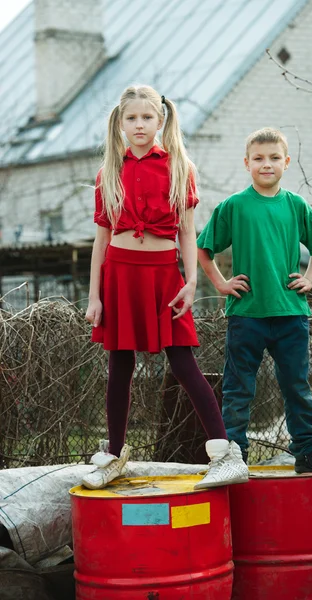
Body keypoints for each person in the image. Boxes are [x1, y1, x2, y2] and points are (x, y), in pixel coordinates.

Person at [82, 85, 249, 490]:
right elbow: (101, 240)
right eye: (131, 118)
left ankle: (226, 454)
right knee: (119, 367)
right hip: (119, 274)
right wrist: (94, 296)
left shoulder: (179, 167)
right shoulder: (109, 171)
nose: (139, 125)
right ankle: (115, 455)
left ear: (161, 120)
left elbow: (188, 233)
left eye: (147, 118)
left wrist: (191, 282)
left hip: (163, 276)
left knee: (183, 363)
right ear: (120, 124)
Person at [197, 127, 312, 474]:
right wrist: (221, 282)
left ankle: (308, 453)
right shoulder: (233, 206)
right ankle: (233, 458)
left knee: (296, 386)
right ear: (247, 163)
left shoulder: (296, 206)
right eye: (259, 158)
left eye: (274, 158)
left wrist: (308, 277)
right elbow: (204, 250)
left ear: (286, 162)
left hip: (291, 313)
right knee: (238, 390)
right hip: (246, 314)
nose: (267, 164)